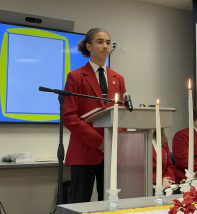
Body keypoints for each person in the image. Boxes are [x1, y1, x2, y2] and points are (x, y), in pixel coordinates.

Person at [63, 28, 126, 203]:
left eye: (108, 42)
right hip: (84, 151)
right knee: (79, 203)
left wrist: (117, 142)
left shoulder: (118, 78)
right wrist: (99, 142)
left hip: (112, 153)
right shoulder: (75, 77)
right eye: (100, 42)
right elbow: (69, 116)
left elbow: (121, 114)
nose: (105, 46)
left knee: (110, 204)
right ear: (88, 46)